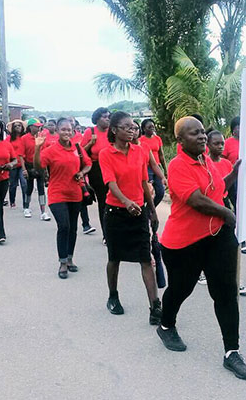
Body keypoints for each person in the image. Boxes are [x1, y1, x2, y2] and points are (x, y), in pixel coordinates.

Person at [156, 116, 246, 380]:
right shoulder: (177, 166)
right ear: (180, 140)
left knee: (225, 292)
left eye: (202, 132)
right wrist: (227, 213)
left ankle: (232, 352)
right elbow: (197, 200)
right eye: (193, 133)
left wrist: (235, 173)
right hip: (184, 242)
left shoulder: (207, 161)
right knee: (181, 289)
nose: (201, 137)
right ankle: (166, 324)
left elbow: (218, 190)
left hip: (217, 237)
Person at [99, 111, 161, 324]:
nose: (132, 130)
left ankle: (155, 307)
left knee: (146, 259)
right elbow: (110, 182)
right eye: (127, 127)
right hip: (116, 213)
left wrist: (151, 210)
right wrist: (126, 201)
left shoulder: (140, 151)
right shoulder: (106, 154)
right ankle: (113, 296)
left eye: (134, 127)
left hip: (139, 212)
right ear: (115, 130)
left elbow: (144, 182)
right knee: (114, 258)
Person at [35, 117, 92, 279]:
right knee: (64, 226)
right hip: (57, 193)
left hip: (75, 193)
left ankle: (70, 258)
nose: (67, 132)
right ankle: (62, 262)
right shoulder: (51, 150)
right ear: (58, 131)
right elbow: (39, 166)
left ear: (73, 131)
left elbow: (88, 164)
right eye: (63, 129)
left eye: (69, 129)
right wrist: (38, 148)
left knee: (73, 227)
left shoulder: (77, 147)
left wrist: (82, 173)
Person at [203, 130, 246, 296]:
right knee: (210, 243)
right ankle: (204, 270)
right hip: (210, 207)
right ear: (208, 145)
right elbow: (212, 189)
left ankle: (234, 280)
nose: (220, 146)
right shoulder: (205, 163)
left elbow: (228, 187)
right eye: (216, 143)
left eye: (222, 143)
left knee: (230, 244)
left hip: (223, 205)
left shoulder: (225, 164)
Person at [82, 107, 111, 243]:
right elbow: (81, 152)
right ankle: (106, 234)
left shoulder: (113, 131)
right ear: (97, 119)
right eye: (104, 116)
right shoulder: (90, 131)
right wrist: (91, 143)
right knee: (103, 201)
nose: (107, 119)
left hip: (112, 166)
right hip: (97, 169)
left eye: (108, 116)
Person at [223, 116, 246, 255]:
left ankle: (242, 233)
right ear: (233, 130)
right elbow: (222, 159)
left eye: (242, 126)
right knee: (238, 206)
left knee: (243, 208)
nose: (240, 129)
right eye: (237, 127)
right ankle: (241, 239)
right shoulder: (228, 143)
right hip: (232, 179)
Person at [20, 118, 51, 221]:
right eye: (36, 126)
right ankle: (26, 207)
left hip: (40, 165)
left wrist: (46, 170)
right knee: (29, 188)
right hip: (29, 165)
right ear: (30, 127)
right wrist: (24, 169)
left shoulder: (42, 137)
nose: (38, 128)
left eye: (39, 126)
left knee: (41, 188)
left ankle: (43, 211)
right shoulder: (24, 138)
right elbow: (21, 155)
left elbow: (45, 153)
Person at [140, 119, 167, 207]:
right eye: (149, 127)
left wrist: (165, 169)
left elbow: (161, 155)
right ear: (144, 129)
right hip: (147, 168)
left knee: (160, 192)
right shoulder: (141, 140)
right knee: (148, 192)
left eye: (153, 126)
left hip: (157, 167)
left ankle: (149, 210)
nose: (152, 128)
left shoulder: (157, 139)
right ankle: (143, 212)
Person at [7, 119, 29, 211]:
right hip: (13, 164)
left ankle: (25, 204)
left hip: (22, 164)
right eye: (15, 126)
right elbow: (6, 149)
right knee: (13, 184)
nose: (17, 127)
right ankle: (12, 201)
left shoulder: (24, 138)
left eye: (19, 126)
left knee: (24, 183)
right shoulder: (9, 139)